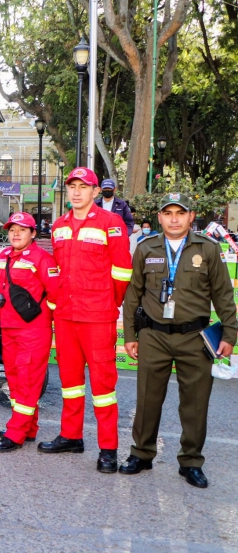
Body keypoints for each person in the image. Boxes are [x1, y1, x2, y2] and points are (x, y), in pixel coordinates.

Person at [120, 193, 236, 488]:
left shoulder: (208, 249)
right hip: (153, 335)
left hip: (194, 338)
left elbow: (223, 295)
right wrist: (131, 336)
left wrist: (230, 335)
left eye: (179, 213)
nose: (174, 218)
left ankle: (191, 462)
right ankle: (142, 454)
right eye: (168, 213)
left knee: (195, 403)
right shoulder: (146, 248)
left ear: (190, 216)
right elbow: (133, 295)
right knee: (147, 399)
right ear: (159, 217)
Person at [39, 167, 132, 473]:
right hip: (65, 315)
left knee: (103, 387)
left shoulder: (112, 224)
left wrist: (107, 303)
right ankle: (71, 435)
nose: (77, 192)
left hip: (97, 316)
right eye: (72, 187)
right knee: (70, 382)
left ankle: (108, 448)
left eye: (84, 187)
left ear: (95, 192)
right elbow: (56, 271)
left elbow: (122, 274)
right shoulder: (59, 225)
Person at [0, 212, 59, 452]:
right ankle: (29, 427)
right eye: (12, 230)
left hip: (33, 330)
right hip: (8, 327)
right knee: (14, 378)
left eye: (22, 229)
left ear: (33, 233)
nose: (16, 234)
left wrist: (45, 320)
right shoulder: (4, 255)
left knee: (28, 379)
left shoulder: (43, 259)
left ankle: (16, 431)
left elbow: (55, 294)